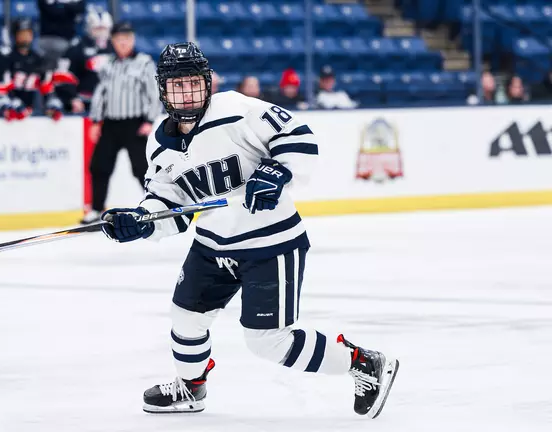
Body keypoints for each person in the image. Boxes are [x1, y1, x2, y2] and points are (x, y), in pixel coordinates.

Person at [98, 42, 399, 416]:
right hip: (212, 245)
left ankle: (362, 363)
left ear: (207, 84)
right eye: (178, 85)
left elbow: (300, 138)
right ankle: (191, 389)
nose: (187, 93)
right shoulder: (159, 141)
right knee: (185, 317)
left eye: (194, 83)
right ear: (163, 90)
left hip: (271, 243)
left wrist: (277, 171)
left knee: (268, 342)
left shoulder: (237, 110)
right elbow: (172, 206)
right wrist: (141, 222)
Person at [82, 22, 162, 223]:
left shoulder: (144, 62)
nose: (123, 42)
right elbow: (101, 94)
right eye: (118, 39)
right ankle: (95, 209)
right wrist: (95, 120)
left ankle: (154, 206)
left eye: (126, 38)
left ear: (133, 39)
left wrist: (150, 120)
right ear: (113, 41)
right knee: (99, 166)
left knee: (142, 168)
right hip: (110, 124)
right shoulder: (108, 64)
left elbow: (154, 93)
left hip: (135, 124)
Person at [53, 5, 113, 114]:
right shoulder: (77, 48)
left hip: (114, 106)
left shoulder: (116, 47)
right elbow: (62, 76)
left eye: (104, 29)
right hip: (85, 105)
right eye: (97, 29)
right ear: (89, 28)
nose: (101, 33)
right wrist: (72, 98)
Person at [6, 17, 60, 120]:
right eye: (22, 34)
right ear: (15, 36)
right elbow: (4, 87)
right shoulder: (8, 59)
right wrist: (13, 103)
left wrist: (51, 103)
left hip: (34, 111)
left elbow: (46, 86)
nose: (25, 37)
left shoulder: (39, 59)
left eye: (28, 34)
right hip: (12, 112)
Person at [37, 0, 87, 66]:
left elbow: (80, 8)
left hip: (67, 40)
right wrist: (67, 6)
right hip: (47, 38)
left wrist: (59, 5)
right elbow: (53, 11)